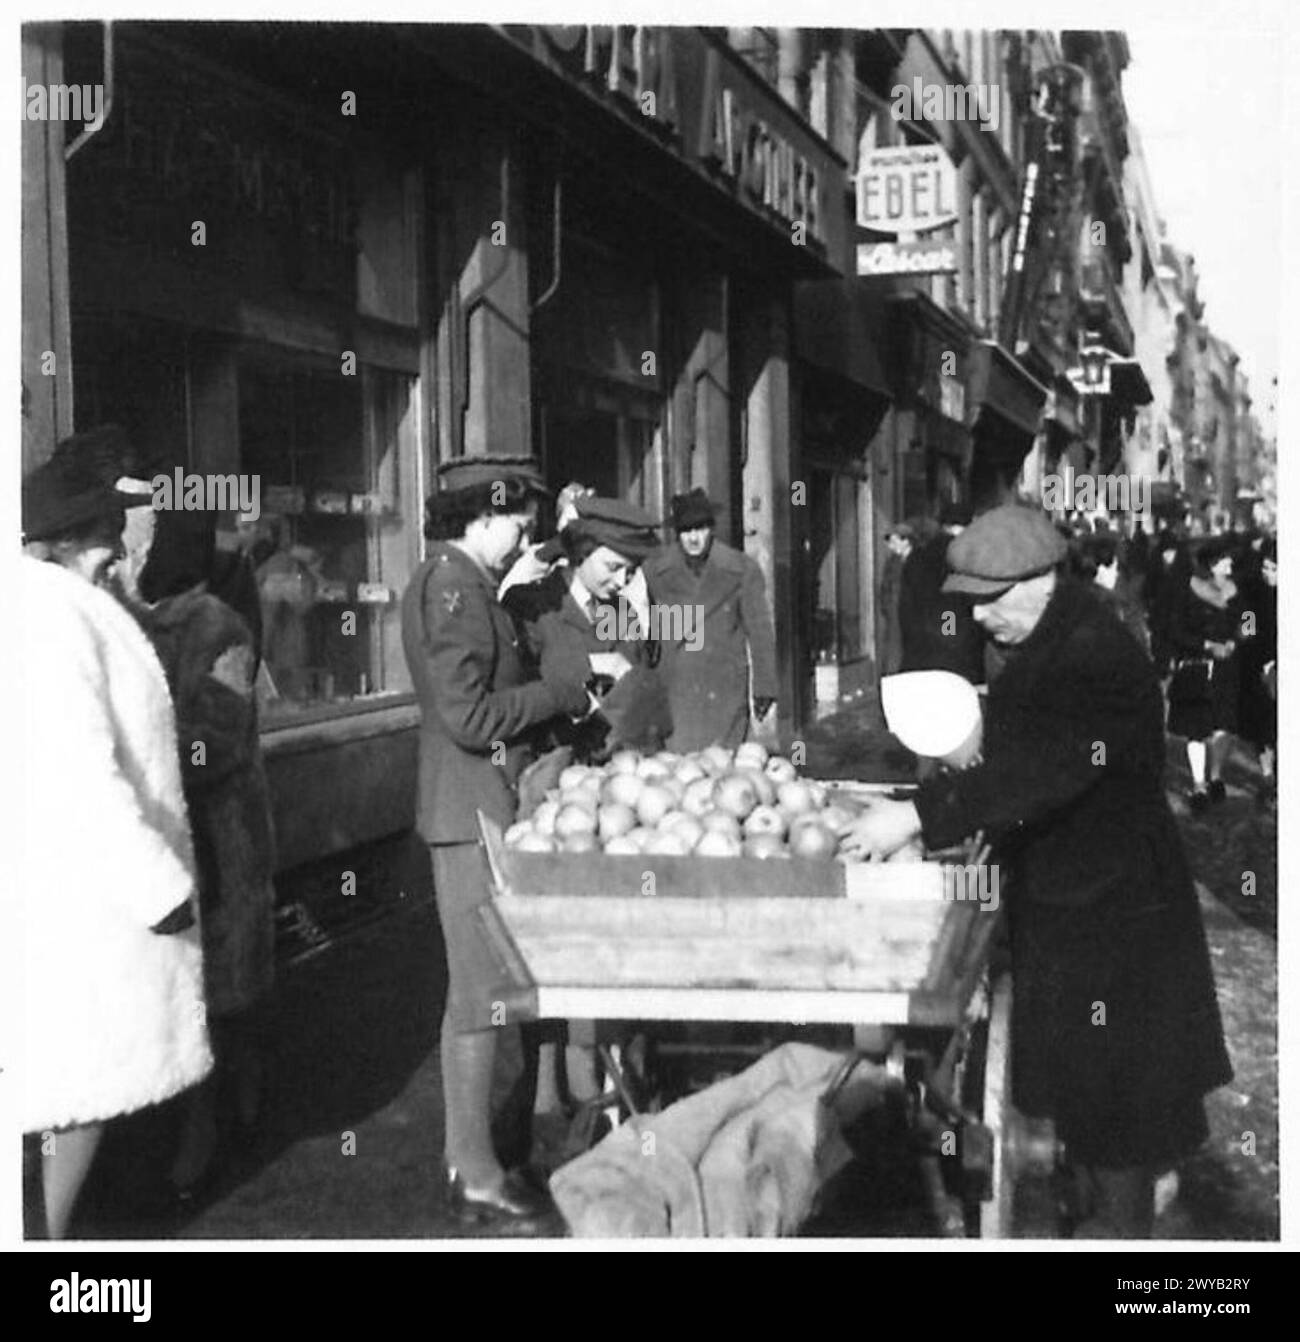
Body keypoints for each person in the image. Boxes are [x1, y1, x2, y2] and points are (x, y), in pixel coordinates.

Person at [842, 502, 1231, 1238]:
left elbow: (1036, 772)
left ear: (1036, 582)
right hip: (1082, 899)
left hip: (1115, 917)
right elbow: (1026, 756)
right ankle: (1099, 1207)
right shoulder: (1061, 634)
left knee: (1120, 1110)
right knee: (1095, 1100)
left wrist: (918, 816)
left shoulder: (1093, 654)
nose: (979, 621)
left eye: (987, 602)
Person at [19, 443, 213, 1238]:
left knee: (74, 1102)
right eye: (132, 522)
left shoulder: (69, 604)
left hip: (79, 900)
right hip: (85, 907)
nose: (144, 536)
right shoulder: (48, 616)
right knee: (74, 1095)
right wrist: (158, 887)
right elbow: (78, 772)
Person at [400, 455, 590, 1232]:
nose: (524, 534)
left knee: (477, 993)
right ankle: (475, 1173)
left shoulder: (466, 585)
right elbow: (468, 718)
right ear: (480, 515)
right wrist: (560, 694)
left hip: (477, 805)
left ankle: (475, 1157)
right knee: (478, 996)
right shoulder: (453, 589)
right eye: (517, 519)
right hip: (469, 810)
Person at [113, 505, 278, 1200]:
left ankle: (225, 1119)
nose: (127, 556)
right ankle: (211, 1113)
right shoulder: (130, 624)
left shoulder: (219, 628)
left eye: (138, 544)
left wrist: (144, 758)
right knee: (196, 981)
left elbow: (221, 739)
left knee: (226, 987)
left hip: (221, 834)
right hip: (175, 832)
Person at [504, 495, 670, 763]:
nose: (621, 582)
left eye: (630, 572)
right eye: (613, 567)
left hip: (615, 767)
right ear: (582, 552)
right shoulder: (531, 605)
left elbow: (638, 686)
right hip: (549, 765)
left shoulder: (619, 610)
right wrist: (589, 664)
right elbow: (512, 687)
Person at [642, 487, 778, 751]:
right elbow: (637, 622)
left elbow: (759, 629)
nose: (694, 538)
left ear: (712, 529)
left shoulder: (741, 569)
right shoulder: (654, 571)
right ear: (677, 533)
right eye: (686, 531)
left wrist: (765, 685)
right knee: (678, 770)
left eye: (700, 529)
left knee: (722, 769)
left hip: (723, 684)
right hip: (675, 684)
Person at [1164, 535, 1242, 813]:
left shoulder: (1236, 591)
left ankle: (1216, 777)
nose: (1231, 562)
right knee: (1195, 729)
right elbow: (1175, 630)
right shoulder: (1188, 592)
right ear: (1212, 564)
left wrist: (1237, 639)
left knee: (1226, 726)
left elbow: (1248, 621)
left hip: (1227, 667)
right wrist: (1206, 645)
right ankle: (1198, 784)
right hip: (1197, 666)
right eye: (1225, 559)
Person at [897, 500, 985, 684]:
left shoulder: (917, 557)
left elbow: (906, 610)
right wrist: (950, 635)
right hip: (956, 661)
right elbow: (950, 609)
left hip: (918, 659)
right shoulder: (965, 556)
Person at [1236, 536, 1277, 805]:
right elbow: (1246, 628)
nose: (1267, 574)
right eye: (1265, 568)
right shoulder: (1252, 593)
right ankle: (1267, 778)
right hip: (1259, 670)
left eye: (1273, 569)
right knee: (1263, 731)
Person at [878, 521, 915, 677]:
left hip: (913, 615)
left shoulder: (918, 560)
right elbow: (884, 588)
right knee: (893, 652)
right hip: (895, 613)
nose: (891, 546)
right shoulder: (892, 562)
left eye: (894, 541)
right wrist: (887, 606)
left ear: (905, 540)